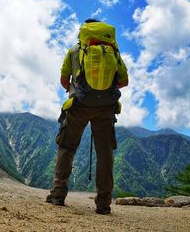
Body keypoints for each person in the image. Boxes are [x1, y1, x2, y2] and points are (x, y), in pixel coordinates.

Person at [46, 19, 129, 215]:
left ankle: (58, 194)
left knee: (67, 147)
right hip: (106, 109)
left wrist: (75, 90)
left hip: (78, 106)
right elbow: (124, 82)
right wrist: (105, 91)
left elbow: (64, 80)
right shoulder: (113, 52)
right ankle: (103, 204)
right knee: (105, 153)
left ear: (83, 32)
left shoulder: (75, 51)